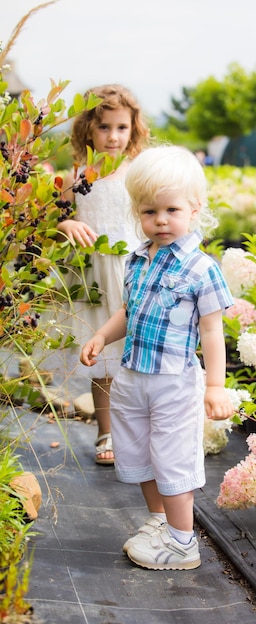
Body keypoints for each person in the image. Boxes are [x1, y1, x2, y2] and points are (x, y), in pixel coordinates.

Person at [80, 144, 235, 570]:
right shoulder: (136, 261)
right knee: (139, 453)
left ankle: (183, 543)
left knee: (171, 458)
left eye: (171, 210)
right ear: (137, 212)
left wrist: (215, 386)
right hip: (133, 377)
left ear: (194, 208)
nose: (160, 220)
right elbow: (128, 313)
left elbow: (212, 330)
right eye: (149, 212)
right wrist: (102, 336)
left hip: (172, 382)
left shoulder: (201, 269)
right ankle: (160, 522)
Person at [53, 84, 149, 464]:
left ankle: (143, 431)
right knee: (105, 359)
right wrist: (68, 225)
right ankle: (106, 432)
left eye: (122, 128)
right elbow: (58, 216)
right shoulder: (78, 175)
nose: (113, 137)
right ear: (89, 130)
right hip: (95, 277)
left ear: (133, 130)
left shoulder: (139, 172)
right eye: (105, 127)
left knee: (141, 354)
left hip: (134, 271)